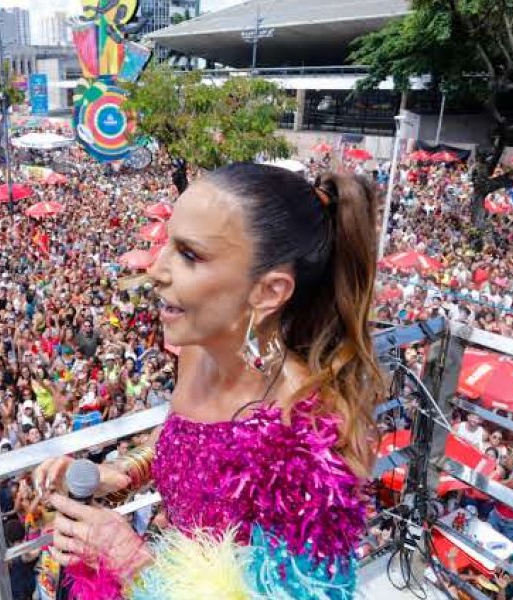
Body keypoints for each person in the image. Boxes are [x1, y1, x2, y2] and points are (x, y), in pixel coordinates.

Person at [34, 165, 383, 596]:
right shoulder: (196, 354)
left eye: (189, 255)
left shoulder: (310, 434)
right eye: (167, 242)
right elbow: (186, 445)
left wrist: (131, 560)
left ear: (269, 292)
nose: (157, 270)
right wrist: (121, 474)